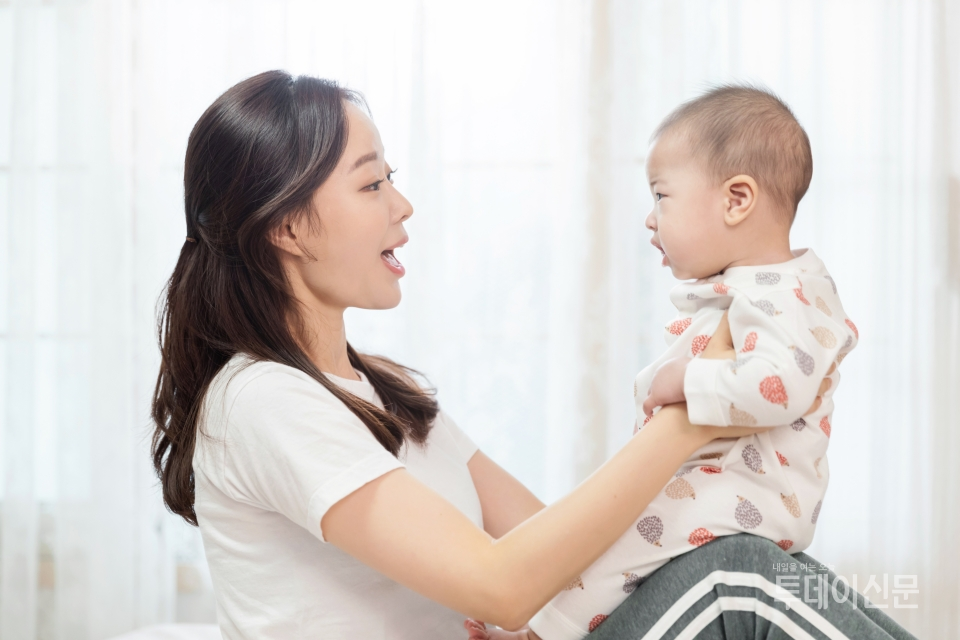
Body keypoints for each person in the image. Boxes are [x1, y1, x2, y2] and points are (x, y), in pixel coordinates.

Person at [150, 71, 915, 640]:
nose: (402, 205)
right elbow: (501, 587)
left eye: (392, 179)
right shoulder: (262, 399)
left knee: (743, 558)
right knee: (735, 580)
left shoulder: (385, 392)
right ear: (286, 227)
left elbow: (553, 550)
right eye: (372, 183)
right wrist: (695, 412)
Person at [472, 85, 880, 640]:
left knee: (632, 536)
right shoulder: (762, 288)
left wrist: (689, 380)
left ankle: (540, 633)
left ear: (737, 200)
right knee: (622, 535)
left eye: (662, 196)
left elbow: (780, 385)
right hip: (734, 486)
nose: (650, 219)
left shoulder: (785, 293)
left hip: (750, 493)